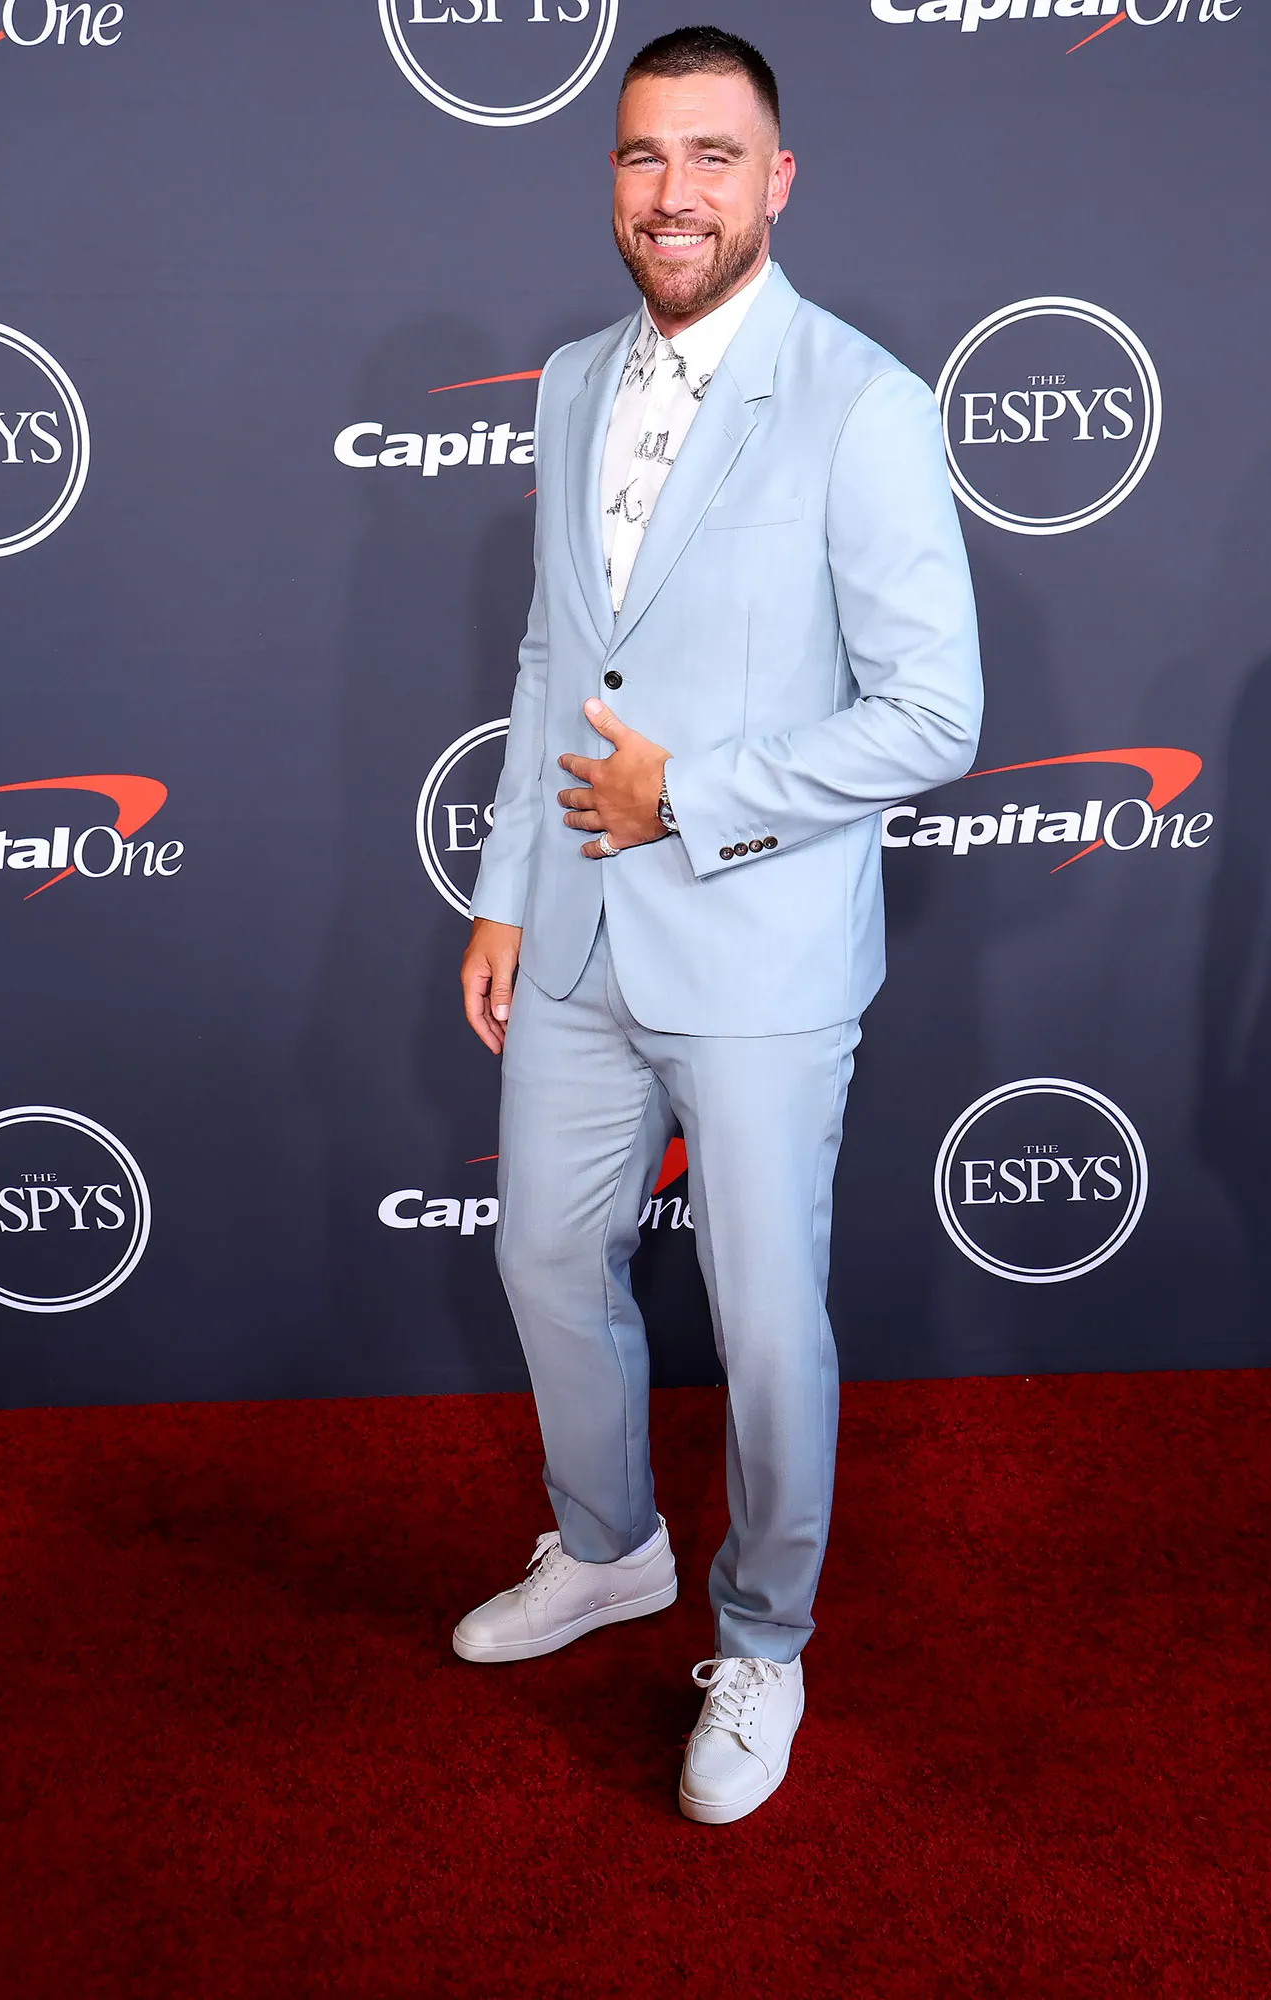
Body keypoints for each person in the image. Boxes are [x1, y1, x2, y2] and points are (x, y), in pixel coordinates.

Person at [454, 25, 982, 1826]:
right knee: (544, 1259)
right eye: (640, 154)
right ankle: (611, 1547)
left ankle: (764, 1638)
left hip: (759, 951)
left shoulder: (863, 402)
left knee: (764, 1327)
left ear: (778, 180)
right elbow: (554, 655)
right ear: (611, 176)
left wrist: (687, 796)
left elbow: (934, 716)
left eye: (710, 155)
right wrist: (506, 889)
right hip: (576, 934)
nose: (670, 191)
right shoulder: (571, 382)